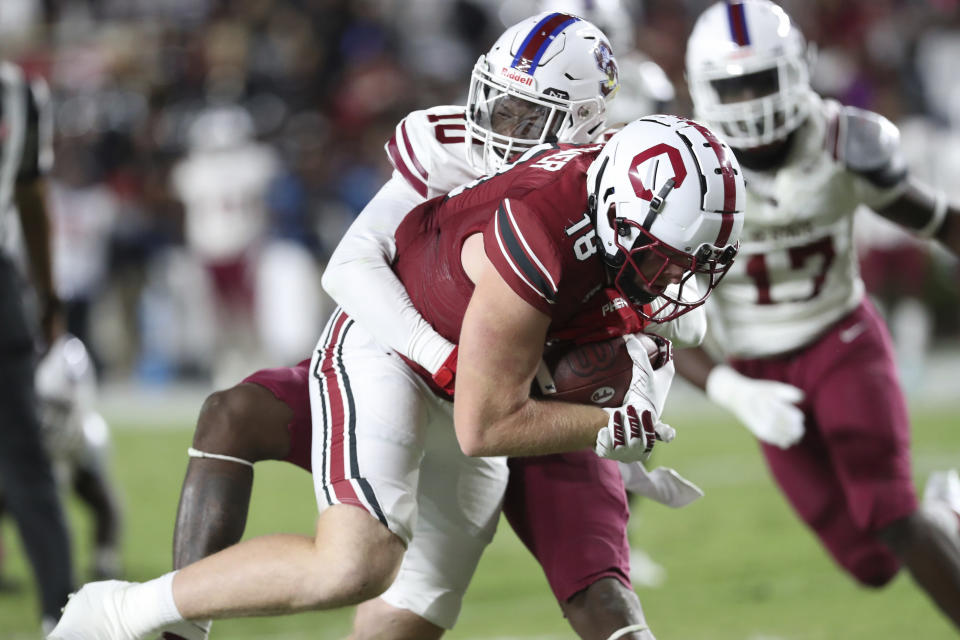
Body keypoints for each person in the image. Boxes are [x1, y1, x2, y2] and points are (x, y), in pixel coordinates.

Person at [49, 114, 745, 640]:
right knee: (355, 565)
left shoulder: (617, 186)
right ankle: (114, 611)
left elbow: (652, 321)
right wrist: (605, 425)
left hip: (469, 381)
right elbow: (486, 425)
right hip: (399, 356)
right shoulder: (541, 233)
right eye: (665, 257)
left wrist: (640, 373)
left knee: (418, 610)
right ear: (621, 215)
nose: (677, 278)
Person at [162, 13, 699, 640]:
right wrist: (442, 356)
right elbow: (352, 262)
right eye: (496, 103)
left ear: (582, 125)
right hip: (420, 373)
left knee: (601, 602)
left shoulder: (607, 182)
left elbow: (677, 314)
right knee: (235, 415)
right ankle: (175, 627)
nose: (495, 126)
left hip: (543, 406)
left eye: (523, 116)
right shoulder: (449, 146)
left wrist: (633, 403)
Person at [676, 0, 960, 631]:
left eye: (761, 80)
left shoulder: (843, 141)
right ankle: (949, 508)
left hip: (843, 340)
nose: (749, 100)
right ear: (701, 89)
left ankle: (931, 517)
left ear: (797, 71)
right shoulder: (683, 173)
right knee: (871, 564)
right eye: (734, 85)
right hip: (757, 366)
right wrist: (731, 388)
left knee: (892, 515)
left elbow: (938, 219)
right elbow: (652, 316)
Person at [0, 59, 75, 633]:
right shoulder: (19, 91)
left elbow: (30, 197)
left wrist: (48, 297)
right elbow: (31, 197)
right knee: (26, 459)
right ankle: (60, 613)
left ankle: (60, 610)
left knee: (24, 455)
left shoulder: (21, 91)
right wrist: (48, 298)